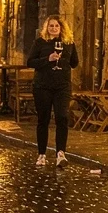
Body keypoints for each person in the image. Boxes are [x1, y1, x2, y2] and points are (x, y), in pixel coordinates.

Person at [26, 16, 79, 167]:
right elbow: (30, 62)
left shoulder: (68, 43)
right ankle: (41, 154)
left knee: (62, 117)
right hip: (43, 86)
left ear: (61, 28)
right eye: (51, 26)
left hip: (62, 86)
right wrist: (47, 60)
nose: (54, 28)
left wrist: (64, 61)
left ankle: (60, 153)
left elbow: (75, 63)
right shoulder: (40, 43)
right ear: (46, 28)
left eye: (56, 26)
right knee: (43, 119)